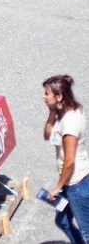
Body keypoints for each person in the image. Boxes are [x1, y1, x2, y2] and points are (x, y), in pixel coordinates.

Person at [44, 74, 89, 244]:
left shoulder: (70, 123)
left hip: (76, 185)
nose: (44, 97)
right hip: (67, 183)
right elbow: (47, 135)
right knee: (62, 220)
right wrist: (52, 113)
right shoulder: (63, 112)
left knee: (87, 231)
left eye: (47, 93)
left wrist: (57, 187)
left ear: (59, 96)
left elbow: (69, 161)